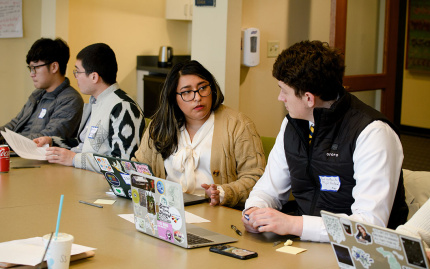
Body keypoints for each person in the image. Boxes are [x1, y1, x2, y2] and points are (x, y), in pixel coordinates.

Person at [242, 40, 408, 242]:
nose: (280, 98)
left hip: (361, 252)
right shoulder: (293, 125)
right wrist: (254, 210)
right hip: (302, 242)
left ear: (309, 99)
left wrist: (293, 224)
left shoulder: (373, 133)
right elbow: (268, 189)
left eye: (284, 91)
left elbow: (366, 227)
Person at [133, 60, 265, 208]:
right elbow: (139, 166)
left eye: (202, 88)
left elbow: (256, 177)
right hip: (167, 210)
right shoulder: (159, 126)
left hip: (216, 212)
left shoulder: (238, 124)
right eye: (187, 92)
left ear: (212, 88)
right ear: (173, 97)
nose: (197, 97)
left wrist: (223, 192)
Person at [34, 43, 145, 172]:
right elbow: (84, 145)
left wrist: (75, 159)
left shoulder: (123, 107)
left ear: (94, 77)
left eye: (77, 72)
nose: (76, 77)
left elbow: (124, 164)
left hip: (105, 187)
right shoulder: (95, 102)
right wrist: (52, 142)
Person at [0, 38, 83, 143]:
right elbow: (15, 124)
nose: (31, 74)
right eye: (30, 68)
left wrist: (9, 142)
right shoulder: (37, 94)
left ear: (54, 67)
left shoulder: (70, 100)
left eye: (35, 68)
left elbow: (45, 138)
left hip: (33, 155)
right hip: (16, 151)